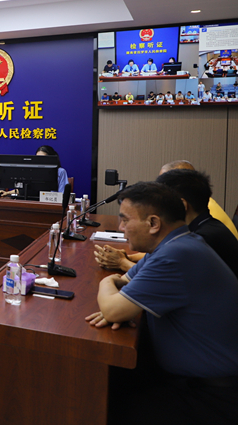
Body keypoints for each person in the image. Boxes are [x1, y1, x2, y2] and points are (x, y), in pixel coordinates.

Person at [85, 182, 238, 425]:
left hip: (211, 396)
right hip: (187, 379)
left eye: (125, 220)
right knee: (109, 383)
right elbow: (126, 283)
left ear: (153, 223)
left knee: (102, 406)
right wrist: (118, 297)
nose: (121, 228)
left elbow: (113, 309)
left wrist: (107, 284)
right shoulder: (173, 244)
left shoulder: (175, 255)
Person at [96, 169, 238, 278]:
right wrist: (127, 257)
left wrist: (122, 263)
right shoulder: (202, 226)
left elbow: (161, 276)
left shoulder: (201, 239)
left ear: (181, 205)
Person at [0, 145, 68, 196]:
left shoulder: (60, 172)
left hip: (52, 203)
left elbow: (63, 193)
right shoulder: (33, 172)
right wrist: (7, 193)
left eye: (42, 158)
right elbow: (26, 190)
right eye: (37, 158)